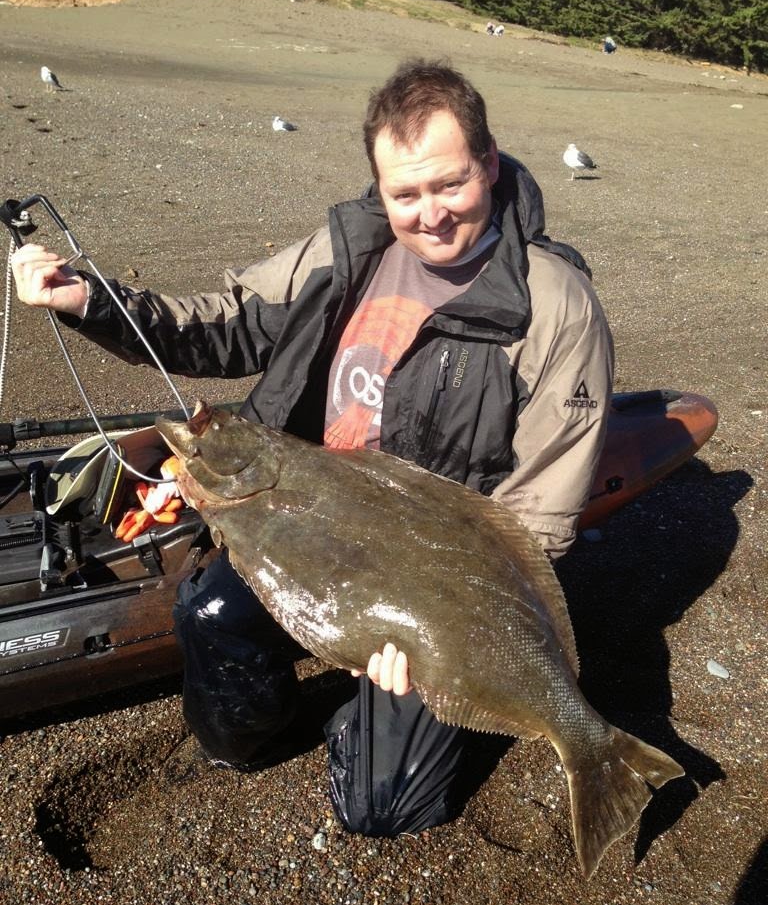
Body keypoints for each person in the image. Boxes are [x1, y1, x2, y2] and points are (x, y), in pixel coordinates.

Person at [10, 59, 614, 837]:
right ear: (379, 186)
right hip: (305, 513)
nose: (428, 214)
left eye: (450, 185)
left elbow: (535, 519)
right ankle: (254, 740)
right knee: (210, 611)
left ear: (490, 165)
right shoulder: (349, 250)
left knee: (383, 806)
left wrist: (423, 640)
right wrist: (89, 298)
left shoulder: (555, 307)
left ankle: (580, 747)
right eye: (405, 194)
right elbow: (224, 320)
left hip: (435, 571)